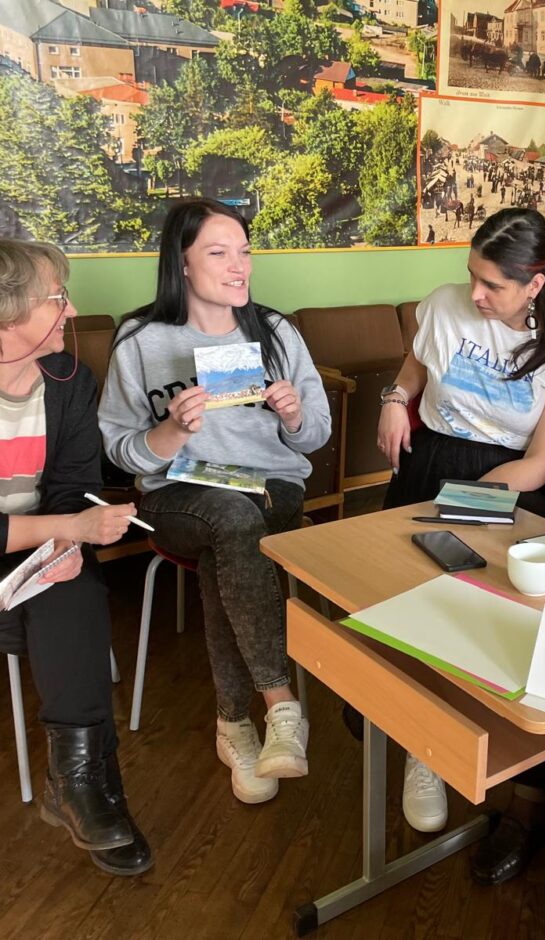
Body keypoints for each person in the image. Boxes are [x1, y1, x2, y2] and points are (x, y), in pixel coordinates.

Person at [376, 207, 545, 857]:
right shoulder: (444, 303)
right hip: (432, 460)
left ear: (535, 284)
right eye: (471, 275)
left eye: (492, 285)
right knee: (411, 604)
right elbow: (416, 366)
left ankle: (494, 760)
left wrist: (460, 504)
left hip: (513, 479)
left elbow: (542, 461)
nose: (474, 294)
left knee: (486, 621)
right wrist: (395, 401)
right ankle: (420, 742)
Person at [99, 198, 332, 805]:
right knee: (231, 523)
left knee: (231, 537)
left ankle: (234, 724)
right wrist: (172, 431)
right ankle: (282, 704)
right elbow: (122, 451)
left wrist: (294, 416)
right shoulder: (140, 340)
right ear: (181, 264)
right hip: (177, 493)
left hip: (270, 486)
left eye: (245, 252)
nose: (239, 267)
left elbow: (316, 436)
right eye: (219, 252)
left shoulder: (275, 332)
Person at [0, 239, 151, 875]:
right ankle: (91, 788)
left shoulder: (68, 381)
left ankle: (79, 784)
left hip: (35, 538)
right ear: (8, 313)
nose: (72, 311)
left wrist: (66, 541)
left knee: (73, 590)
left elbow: (72, 485)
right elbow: (70, 512)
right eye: (57, 298)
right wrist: (69, 527)